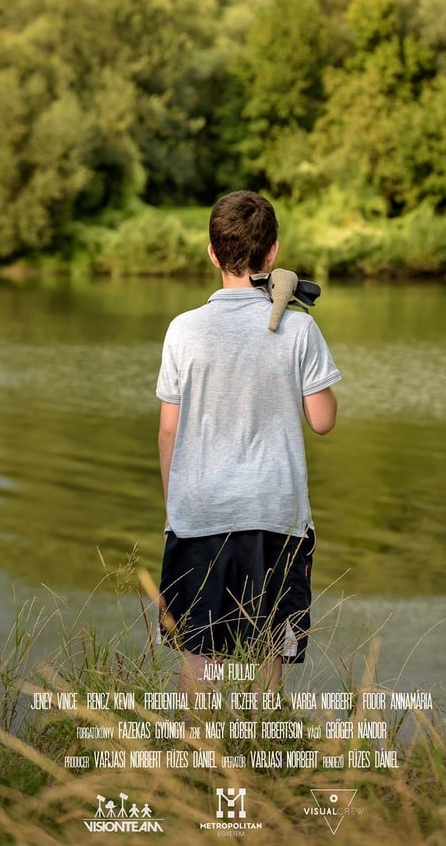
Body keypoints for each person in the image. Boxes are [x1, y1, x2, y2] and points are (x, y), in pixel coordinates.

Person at [156, 190, 341, 691]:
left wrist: (177, 509)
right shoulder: (299, 328)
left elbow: (168, 430)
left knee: (198, 661)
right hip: (274, 517)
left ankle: (195, 763)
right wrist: (302, 324)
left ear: (212, 253)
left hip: (197, 515)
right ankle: (259, 760)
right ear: (274, 253)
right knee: (267, 660)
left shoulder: (183, 330)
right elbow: (322, 420)